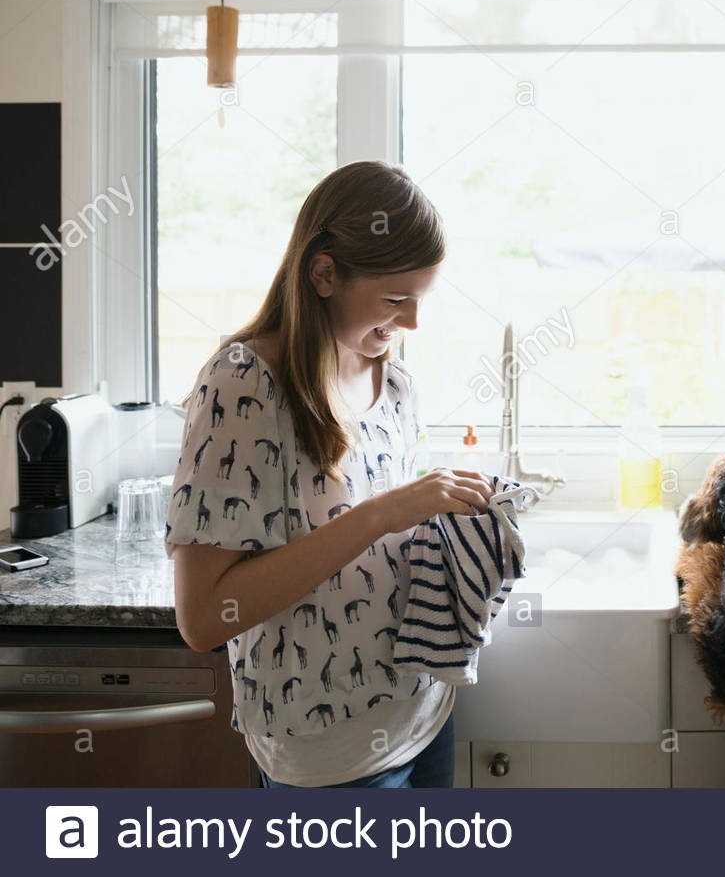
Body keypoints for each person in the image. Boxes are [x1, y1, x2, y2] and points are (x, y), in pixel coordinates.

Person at [166, 159, 493, 788]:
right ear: (324, 274)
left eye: (420, 299)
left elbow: (378, 559)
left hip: (426, 713)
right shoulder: (243, 384)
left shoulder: (394, 384)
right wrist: (380, 515)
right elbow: (204, 617)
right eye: (396, 300)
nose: (412, 324)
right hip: (328, 754)